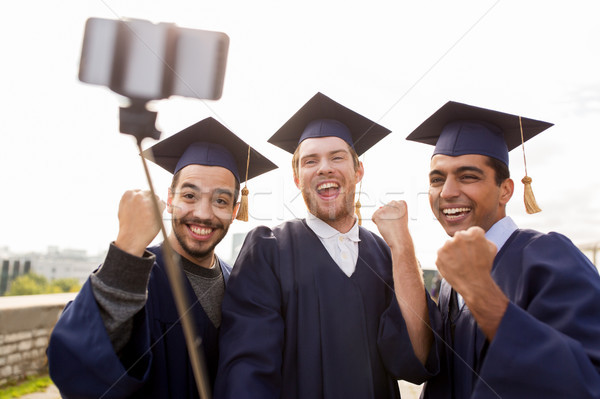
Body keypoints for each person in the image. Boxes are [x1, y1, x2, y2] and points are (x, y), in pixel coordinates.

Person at [215, 93, 438, 399]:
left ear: (358, 172)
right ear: (297, 178)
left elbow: (412, 360)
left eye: (337, 157)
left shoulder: (384, 253)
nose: (324, 168)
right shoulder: (268, 250)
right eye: (310, 161)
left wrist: (402, 247)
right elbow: (247, 368)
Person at [47, 117, 277, 399]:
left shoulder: (238, 281)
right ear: (170, 198)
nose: (203, 213)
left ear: (235, 209)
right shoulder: (134, 273)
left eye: (220, 200)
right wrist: (126, 248)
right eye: (190, 195)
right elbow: (75, 369)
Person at [405, 101, 600, 398]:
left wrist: (481, 292)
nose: (447, 192)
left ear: (506, 190)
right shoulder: (447, 286)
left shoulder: (549, 258)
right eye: (437, 179)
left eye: (468, 176)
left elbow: (588, 383)